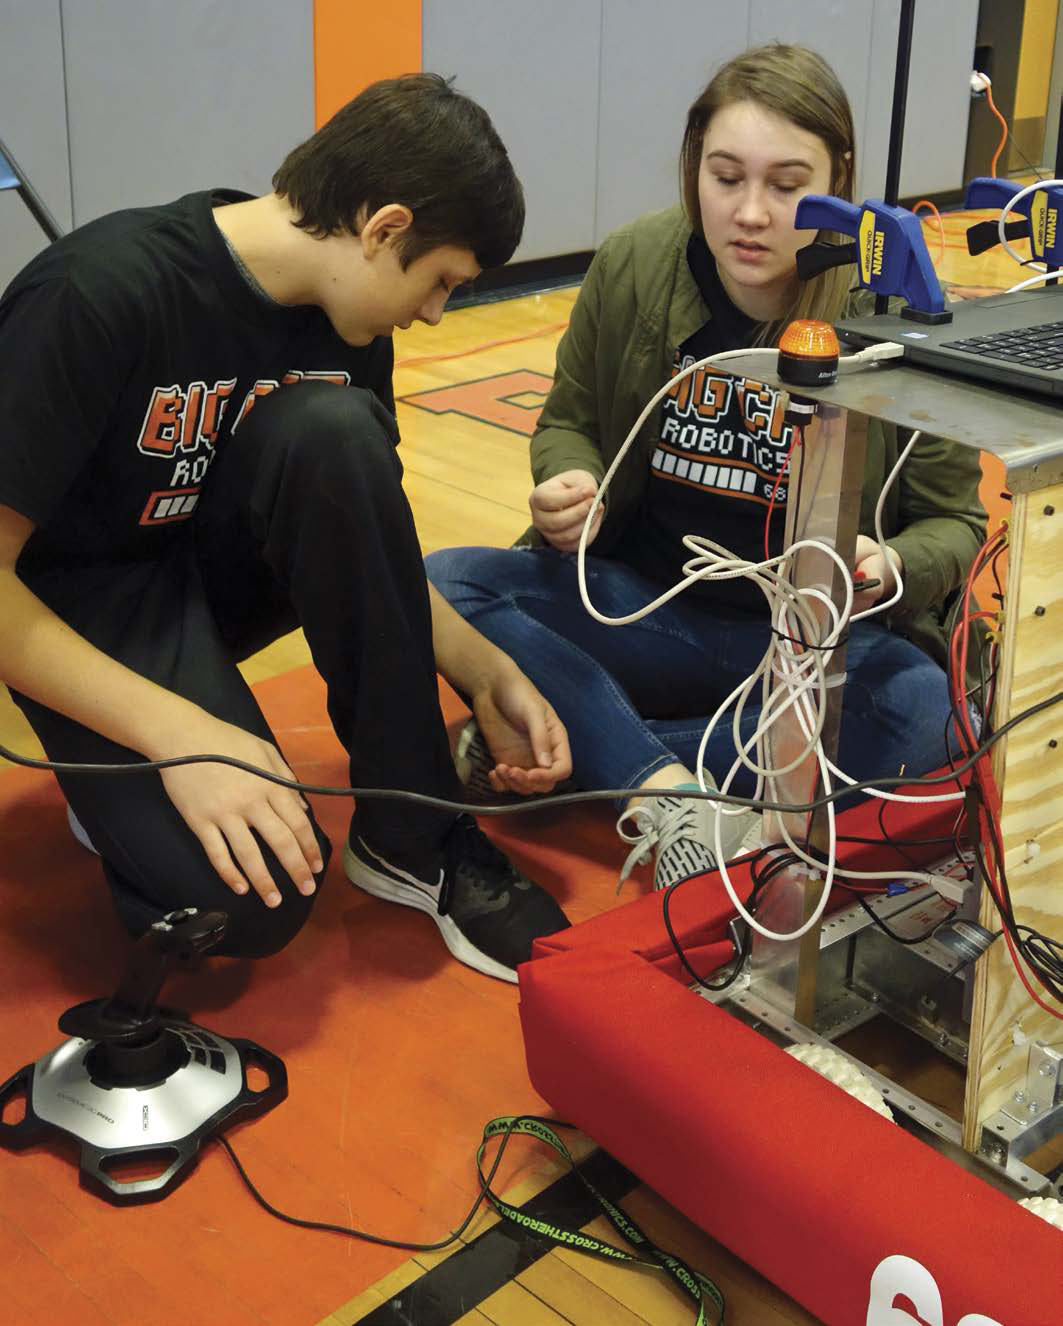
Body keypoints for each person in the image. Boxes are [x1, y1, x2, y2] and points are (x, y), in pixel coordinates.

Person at [0, 73, 573, 983]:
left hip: (206, 575)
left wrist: (482, 669)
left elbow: (364, 541)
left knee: (332, 430)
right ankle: (110, 774)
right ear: (383, 228)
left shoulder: (345, 325)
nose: (431, 313)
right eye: (439, 283)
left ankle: (414, 838)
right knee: (251, 901)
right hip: (83, 606)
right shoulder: (98, 291)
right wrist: (173, 734)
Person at [426, 44, 987, 890]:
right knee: (444, 583)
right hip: (649, 609)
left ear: (838, 176)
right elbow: (568, 423)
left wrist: (893, 563)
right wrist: (566, 484)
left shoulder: (895, 299)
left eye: (787, 184)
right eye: (725, 178)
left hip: (820, 653)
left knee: (932, 725)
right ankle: (670, 790)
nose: (751, 214)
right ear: (694, 169)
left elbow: (957, 523)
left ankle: (578, 743)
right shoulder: (635, 261)